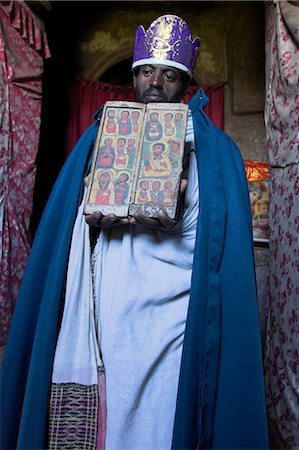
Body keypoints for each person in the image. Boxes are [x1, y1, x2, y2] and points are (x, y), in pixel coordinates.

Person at [1, 13, 269, 450]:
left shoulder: (217, 152)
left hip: (173, 316)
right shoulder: (97, 136)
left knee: (160, 420)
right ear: (135, 77)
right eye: (147, 71)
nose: (156, 83)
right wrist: (89, 218)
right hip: (107, 309)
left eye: (169, 74)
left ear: (186, 85)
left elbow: (218, 245)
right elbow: (65, 238)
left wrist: (174, 205)